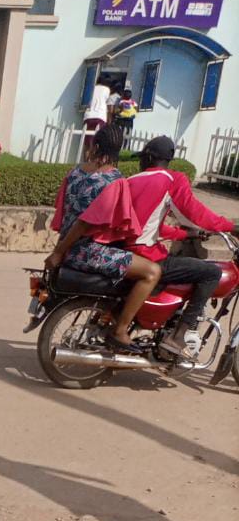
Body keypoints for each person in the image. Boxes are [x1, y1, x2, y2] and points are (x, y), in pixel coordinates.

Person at [45, 124, 159, 353]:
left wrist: (59, 249)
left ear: (95, 145)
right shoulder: (113, 181)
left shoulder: (74, 173)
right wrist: (59, 252)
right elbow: (84, 223)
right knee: (152, 272)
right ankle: (120, 330)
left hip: (67, 249)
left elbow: (63, 214)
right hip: (86, 252)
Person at [124, 135, 239, 357]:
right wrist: (229, 227)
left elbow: (146, 224)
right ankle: (179, 336)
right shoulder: (171, 179)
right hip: (146, 256)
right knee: (210, 272)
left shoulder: (133, 179)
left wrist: (185, 234)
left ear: (148, 157)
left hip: (126, 251)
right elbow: (193, 213)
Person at [82, 77, 111, 154]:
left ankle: (86, 160)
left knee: (87, 142)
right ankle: (93, 160)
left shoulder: (91, 88)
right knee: (98, 141)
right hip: (100, 116)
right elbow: (107, 102)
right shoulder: (106, 89)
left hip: (88, 115)